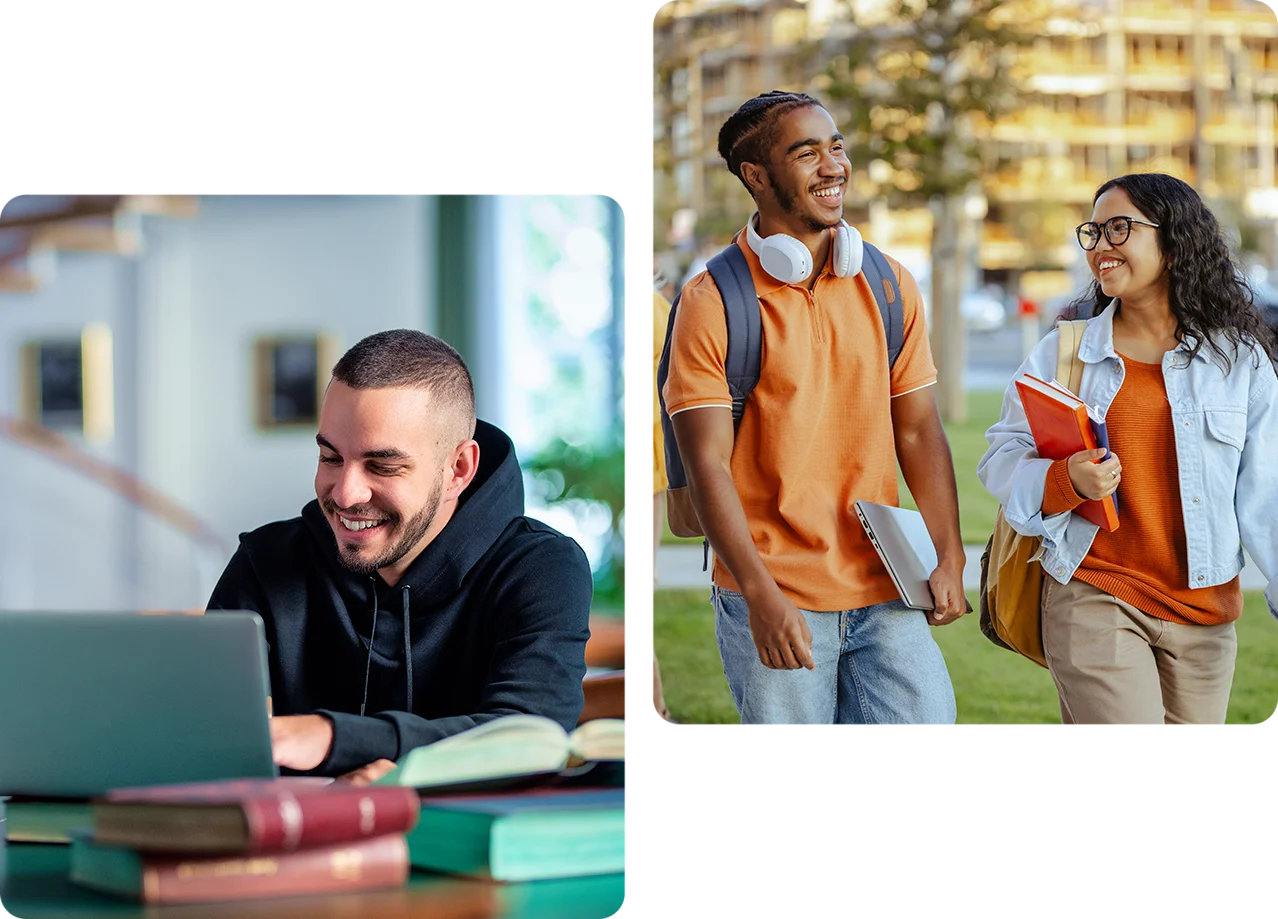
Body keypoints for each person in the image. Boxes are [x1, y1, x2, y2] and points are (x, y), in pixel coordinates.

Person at [661, 91, 965, 728]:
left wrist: (949, 554)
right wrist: (757, 593)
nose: (833, 166)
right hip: (774, 590)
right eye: (807, 153)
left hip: (886, 584)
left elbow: (917, 429)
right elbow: (708, 463)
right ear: (757, 177)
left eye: (836, 147)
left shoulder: (887, 283)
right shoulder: (714, 300)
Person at [207, 330, 593, 777]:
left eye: (383, 466)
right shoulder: (266, 560)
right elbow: (203, 733)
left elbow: (527, 741)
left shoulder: (542, 570)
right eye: (331, 458)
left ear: (458, 469)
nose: (346, 494)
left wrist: (333, 738)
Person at [978, 173, 1278, 727]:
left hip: (1205, 614)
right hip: (1096, 591)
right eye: (1092, 232)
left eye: (1120, 228)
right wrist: (1064, 478)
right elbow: (1000, 457)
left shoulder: (1240, 362)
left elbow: (1268, 495)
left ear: (1175, 238)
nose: (1100, 246)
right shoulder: (1064, 353)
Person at [649, 286, 676, 726]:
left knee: (646, 589)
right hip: (650, 461)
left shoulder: (657, 305)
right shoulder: (655, 305)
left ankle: (655, 714)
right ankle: (655, 713)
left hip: (652, 462)